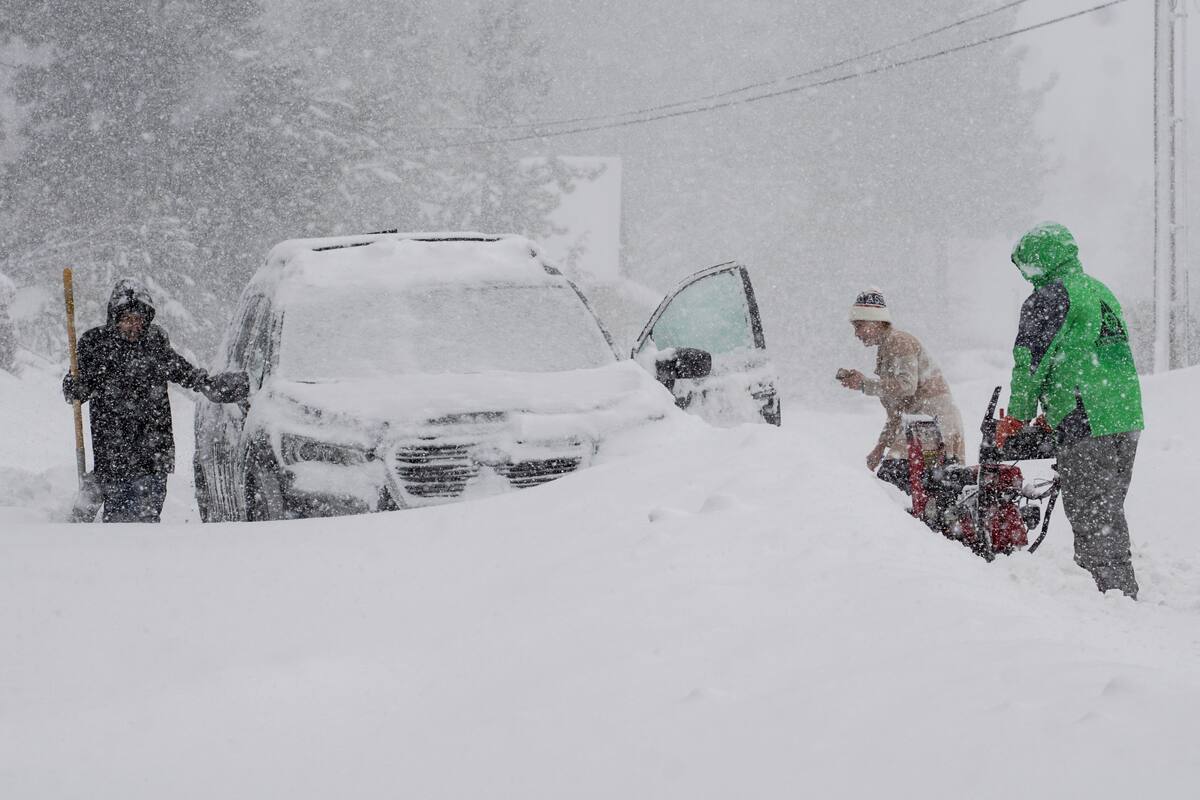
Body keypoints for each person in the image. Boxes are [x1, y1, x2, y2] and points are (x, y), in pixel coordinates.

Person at [995, 223, 1143, 598]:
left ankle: (1113, 599)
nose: (1026, 275)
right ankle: (1117, 589)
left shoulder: (1050, 296)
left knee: (1093, 514)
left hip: (1086, 414)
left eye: (1026, 265)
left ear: (1040, 260)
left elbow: (1030, 362)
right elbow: (1090, 353)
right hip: (1123, 413)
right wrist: (1055, 408)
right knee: (1107, 509)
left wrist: (1017, 416)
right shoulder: (1099, 290)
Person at [62, 278, 250, 522]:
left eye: (138, 319)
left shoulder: (154, 342)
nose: (133, 326)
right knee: (119, 523)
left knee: (146, 518)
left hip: (153, 448)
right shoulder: (96, 344)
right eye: (127, 319)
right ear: (115, 318)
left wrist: (206, 383)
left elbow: (180, 369)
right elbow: (74, 388)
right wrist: (75, 386)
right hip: (112, 450)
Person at [837, 288, 966, 485]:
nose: (856, 334)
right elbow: (898, 410)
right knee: (927, 492)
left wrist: (865, 384)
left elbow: (906, 387)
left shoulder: (899, 341)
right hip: (924, 426)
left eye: (860, 326)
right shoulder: (886, 348)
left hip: (933, 423)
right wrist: (881, 446)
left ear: (876, 322)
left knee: (894, 479)